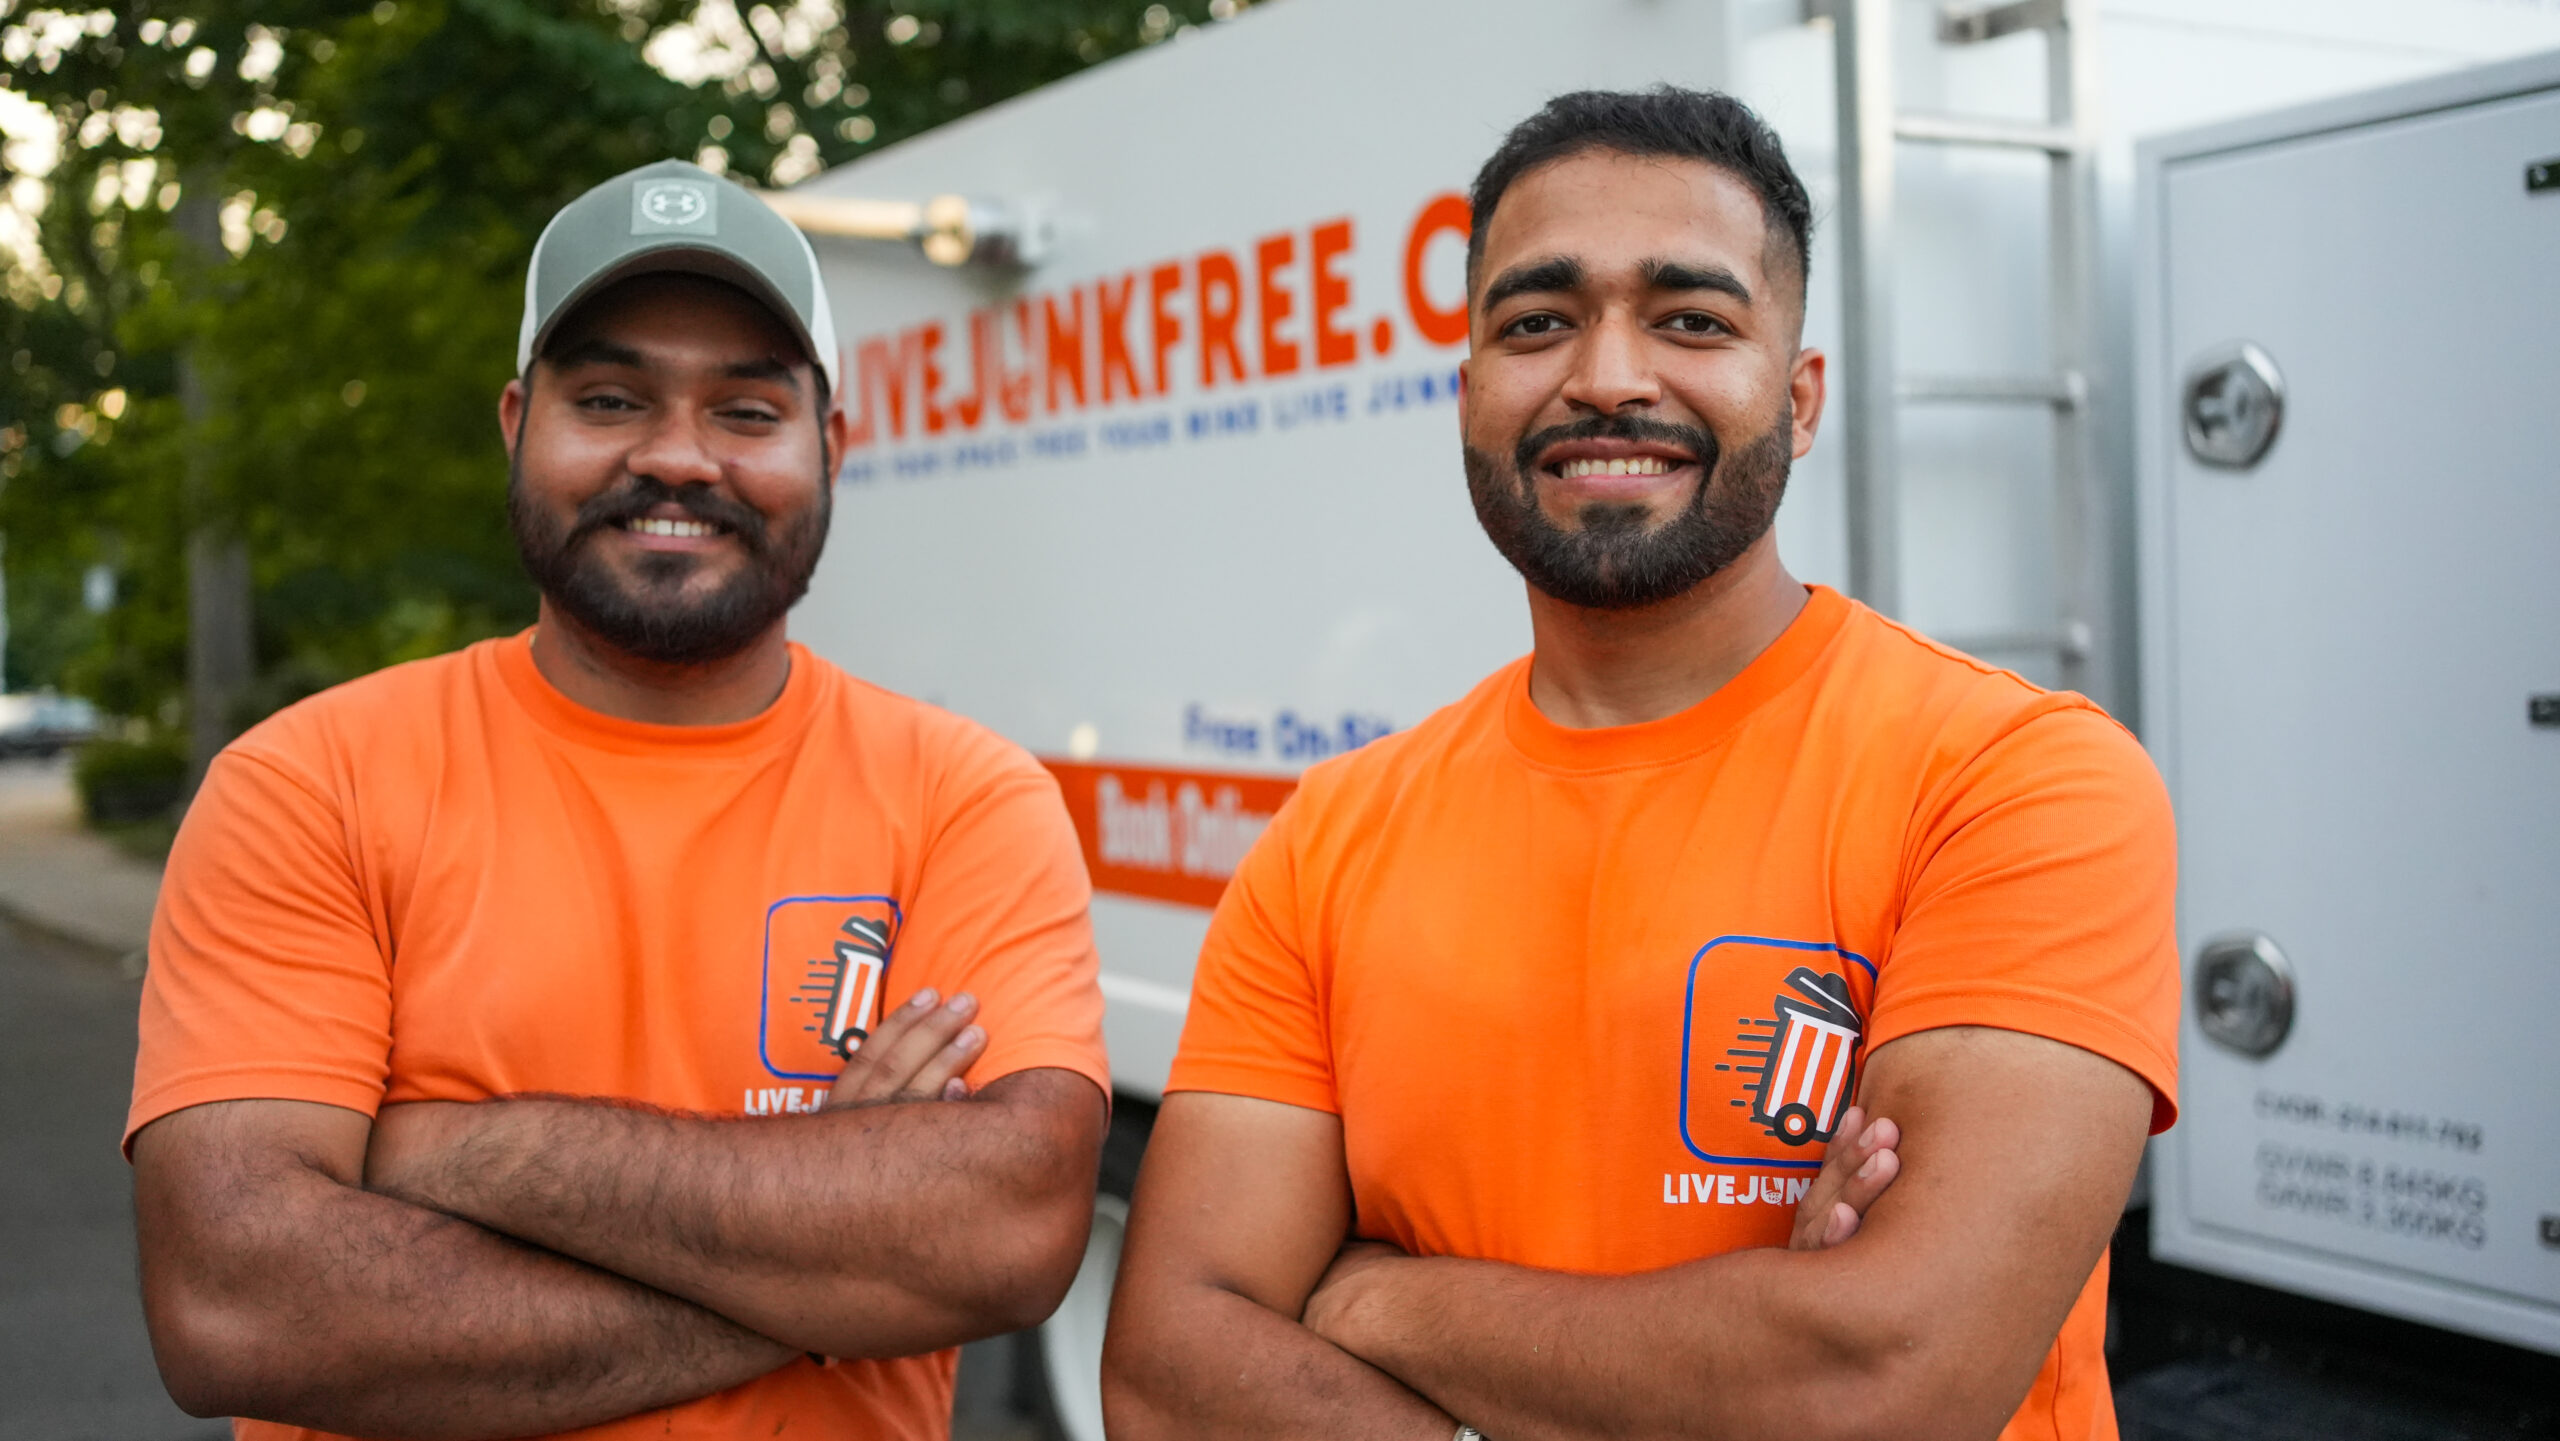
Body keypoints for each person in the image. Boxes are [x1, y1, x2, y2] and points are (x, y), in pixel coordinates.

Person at [1103, 88, 2177, 1441]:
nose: (1607, 375)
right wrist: (1739, 1342)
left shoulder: (2016, 781)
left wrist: (1375, 1300)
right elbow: (1167, 1370)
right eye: (1536, 323)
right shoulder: (1333, 833)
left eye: (1692, 320)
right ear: (1468, 396)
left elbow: (1879, 1381)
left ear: (1799, 397)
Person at [126, 160, 1109, 1440]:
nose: (676, 458)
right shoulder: (308, 787)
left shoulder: (963, 798)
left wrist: (457, 1153)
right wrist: (838, 1254)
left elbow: (1006, 1231)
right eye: (608, 399)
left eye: (746, 411)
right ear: (515, 424)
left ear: (831, 448)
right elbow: (239, 1306)